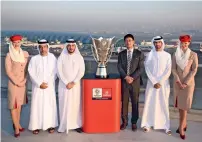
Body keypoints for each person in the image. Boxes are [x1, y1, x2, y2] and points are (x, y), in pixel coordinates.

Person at [141, 36, 172, 135]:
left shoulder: (167, 55)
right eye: (156, 43)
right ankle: (147, 124)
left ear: (162, 43)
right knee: (150, 103)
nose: (157, 44)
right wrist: (154, 82)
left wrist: (160, 82)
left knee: (163, 104)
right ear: (154, 44)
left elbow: (168, 70)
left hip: (163, 84)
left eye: (159, 43)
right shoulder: (150, 55)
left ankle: (166, 126)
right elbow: (147, 69)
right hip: (152, 84)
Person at [28, 39, 58, 134]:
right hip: (38, 87)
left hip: (49, 86)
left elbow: (55, 72)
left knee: (49, 106)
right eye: (41, 47)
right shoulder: (34, 59)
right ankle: (35, 126)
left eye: (44, 47)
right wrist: (39, 83)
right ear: (38, 48)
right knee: (37, 106)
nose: (43, 49)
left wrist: (48, 82)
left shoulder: (53, 57)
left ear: (47, 47)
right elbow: (31, 72)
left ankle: (50, 125)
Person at [172, 35, 198, 140]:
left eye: (186, 43)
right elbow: (173, 69)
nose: (184, 45)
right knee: (180, 106)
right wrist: (178, 81)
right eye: (183, 43)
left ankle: (181, 128)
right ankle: (184, 124)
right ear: (180, 43)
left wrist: (185, 83)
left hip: (188, 84)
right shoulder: (175, 54)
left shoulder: (193, 55)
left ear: (189, 43)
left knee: (185, 107)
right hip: (178, 83)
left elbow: (194, 70)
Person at [57, 39, 85, 134]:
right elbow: (59, 71)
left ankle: (76, 125)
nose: (71, 47)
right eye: (69, 46)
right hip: (63, 86)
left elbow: (81, 71)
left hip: (75, 86)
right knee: (64, 105)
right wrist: (66, 82)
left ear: (75, 47)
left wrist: (73, 82)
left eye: (73, 45)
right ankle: (64, 125)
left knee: (75, 105)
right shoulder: (61, 57)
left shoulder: (79, 58)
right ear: (66, 46)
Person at [117, 34, 144, 131]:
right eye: (126, 41)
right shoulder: (121, 54)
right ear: (124, 42)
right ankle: (124, 122)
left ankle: (134, 122)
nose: (128, 42)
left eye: (130, 40)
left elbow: (140, 69)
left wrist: (132, 77)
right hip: (124, 82)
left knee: (135, 102)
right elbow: (119, 67)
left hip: (135, 82)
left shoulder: (139, 54)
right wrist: (126, 77)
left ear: (133, 42)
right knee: (124, 102)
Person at [5, 35, 29, 138]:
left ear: (21, 42)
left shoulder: (25, 54)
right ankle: (16, 127)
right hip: (14, 84)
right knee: (13, 106)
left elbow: (27, 69)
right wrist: (17, 82)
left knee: (19, 105)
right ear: (11, 43)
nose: (16, 44)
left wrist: (24, 80)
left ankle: (18, 124)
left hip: (22, 84)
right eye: (15, 42)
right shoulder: (9, 55)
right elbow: (8, 72)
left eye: (18, 42)